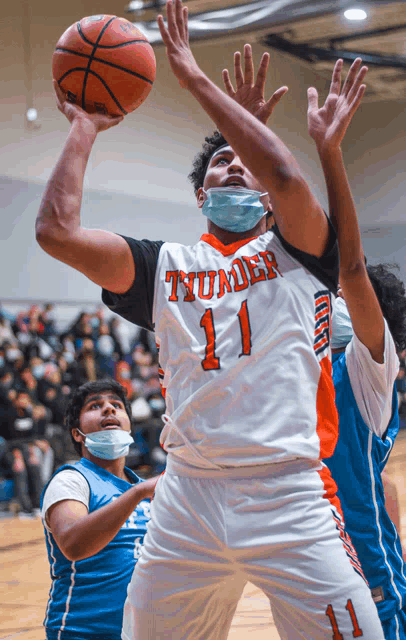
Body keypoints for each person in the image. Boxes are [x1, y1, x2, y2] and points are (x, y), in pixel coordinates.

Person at [35, 1, 384, 637]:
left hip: (287, 494)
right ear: (201, 194)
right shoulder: (164, 265)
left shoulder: (301, 251)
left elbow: (280, 168)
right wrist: (84, 125)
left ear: (269, 203)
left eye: (242, 161)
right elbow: (57, 233)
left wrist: (194, 79)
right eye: (220, 162)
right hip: (187, 498)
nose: (234, 165)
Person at [306, 57, 406, 637]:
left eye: (347, 299)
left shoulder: (370, 368)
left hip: (369, 573)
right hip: (315, 557)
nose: (337, 304)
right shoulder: (319, 363)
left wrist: (330, 154)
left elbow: (351, 266)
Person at [40, 379, 159, 640]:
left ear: (129, 425)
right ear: (76, 433)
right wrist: (136, 494)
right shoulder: (71, 480)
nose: (109, 409)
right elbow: (73, 544)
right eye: (95, 406)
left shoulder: (148, 489)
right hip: (83, 632)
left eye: (116, 405)